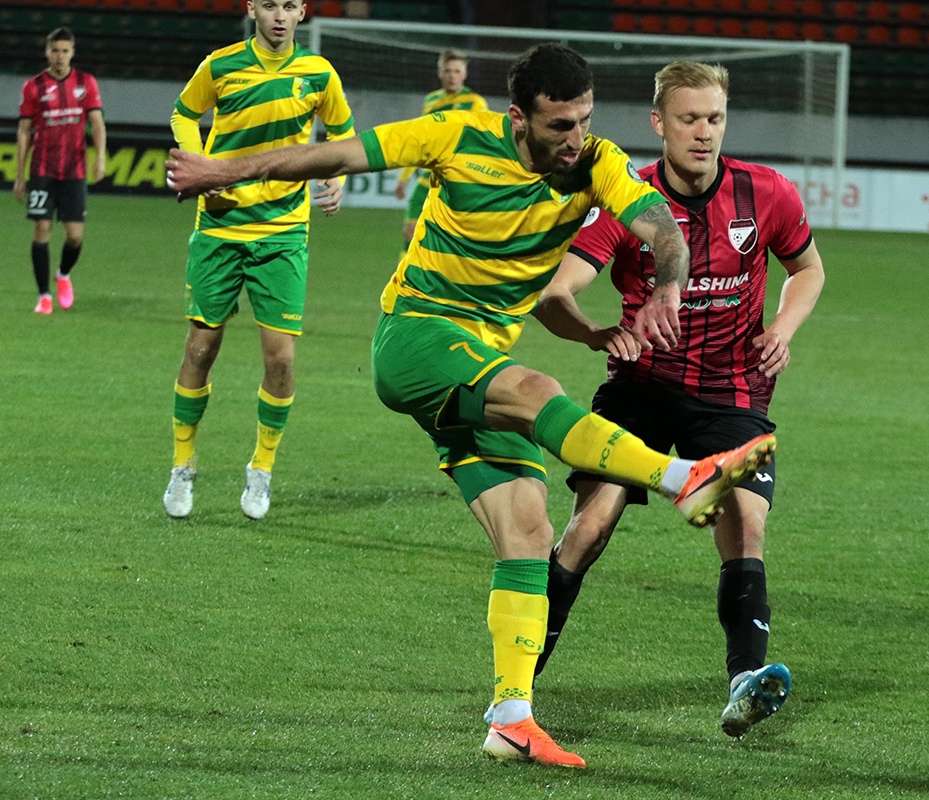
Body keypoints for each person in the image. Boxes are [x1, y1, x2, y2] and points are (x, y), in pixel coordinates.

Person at [164, 42, 777, 769]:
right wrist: (219, 170)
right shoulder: (453, 136)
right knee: (538, 390)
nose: (575, 139)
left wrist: (668, 286)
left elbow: (662, 230)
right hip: (416, 338)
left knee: (527, 526)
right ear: (519, 119)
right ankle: (683, 479)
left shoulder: (596, 162)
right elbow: (329, 156)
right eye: (559, 126)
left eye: (584, 120)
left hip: (477, 366)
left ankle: (511, 718)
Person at [530, 61, 825, 739]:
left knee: (746, 525)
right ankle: (518, 681)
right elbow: (554, 293)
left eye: (714, 118)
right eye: (689, 119)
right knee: (591, 526)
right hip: (640, 389)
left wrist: (783, 328)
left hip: (732, 392)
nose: (704, 132)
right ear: (659, 123)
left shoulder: (766, 192)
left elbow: (808, 269)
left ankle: (745, 680)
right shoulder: (629, 200)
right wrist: (596, 333)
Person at [161, 0, 355, 521]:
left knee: (281, 360)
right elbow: (183, 113)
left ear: (303, 12)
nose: (279, 15)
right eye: (269, 4)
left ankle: (262, 468)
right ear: (252, 8)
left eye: (289, 5)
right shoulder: (221, 65)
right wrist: (200, 163)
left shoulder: (318, 73)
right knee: (200, 349)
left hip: (283, 232)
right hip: (220, 225)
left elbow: (343, 134)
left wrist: (334, 175)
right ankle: (183, 463)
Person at [14, 27, 107, 315]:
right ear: (47, 52)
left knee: (75, 236)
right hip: (43, 170)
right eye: (55, 50)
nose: (59, 56)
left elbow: (97, 124)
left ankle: (63, 275)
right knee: (42, 228)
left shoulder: (85, 83)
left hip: (74, 170)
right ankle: (44, 296)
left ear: (72, 53)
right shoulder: (34, 87)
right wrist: (20, 175)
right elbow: (24, 132)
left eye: (65, 51)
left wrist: (100, 158)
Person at [393, 49, 488, 251]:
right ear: (440, 73)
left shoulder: (475, 103)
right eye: (448, 70)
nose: (452, 75)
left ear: (465, 74)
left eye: (457, 71)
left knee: (451, 241)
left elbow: (482, 142)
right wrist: (404, 177)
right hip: (429, 176)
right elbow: (421, 140)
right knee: (410, 231)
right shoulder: (431, 100)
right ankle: (406, 272)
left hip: (457, 179)